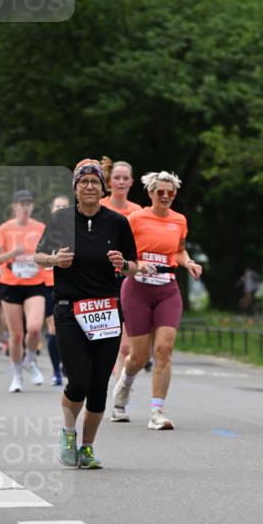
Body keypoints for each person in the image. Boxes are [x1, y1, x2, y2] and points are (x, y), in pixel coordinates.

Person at [33, 158, 137, 469]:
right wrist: (54, 260)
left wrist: (123, 264)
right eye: (83, 182)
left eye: (94, 182)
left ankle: (88, 448)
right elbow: (38, 256)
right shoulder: (60, 219)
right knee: (79, 380)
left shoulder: (117, 222)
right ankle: (68, 433)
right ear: (76, 188)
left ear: (103, 189)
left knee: (99, 386)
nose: (89, 186)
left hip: (106, 311)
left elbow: (134, 265)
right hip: (69, 310)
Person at [112, 170, 202, 428]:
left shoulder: (179, 220)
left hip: (167, 290)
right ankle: (125, 383)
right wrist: (138, 264)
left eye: (170, 192)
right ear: (150, 193)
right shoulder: (136, 219)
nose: (165, 196)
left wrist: (188, 262)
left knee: (164, 349)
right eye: (160, 192)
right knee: (138, 357)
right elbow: (119, 253)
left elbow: (179, 250)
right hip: (137, 290)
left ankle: (157, 412)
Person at [0, 190, 46, 392]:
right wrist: (13, 253)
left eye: (28, 203)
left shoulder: (40, 227)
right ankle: (17, 375)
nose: (25, 207)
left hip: (35, 284)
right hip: (11, 285)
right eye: (22, 204)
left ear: (32, 206)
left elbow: (48, 253)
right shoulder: (4, 229)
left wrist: (43, 259)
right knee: (16, 335)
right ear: (14, 206)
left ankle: (30, 360)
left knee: (34, 328)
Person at [99, 158, 145, 385]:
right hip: (99, 278)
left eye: (125, 178)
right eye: (117, 177)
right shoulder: (98, 206)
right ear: (109, 181)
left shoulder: (138, 211)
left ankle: (119, 398)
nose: (121, 181)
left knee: (125, 347)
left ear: (132, 182)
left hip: (127, 277)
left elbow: (142, 245)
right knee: (101, 340)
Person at [43, 194, 70, 385]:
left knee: (70, 329)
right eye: (57, 206)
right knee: (53, 328)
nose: (60, 210)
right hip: (46, 285)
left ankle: (67, 364)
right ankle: (56, 371)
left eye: (64, 207)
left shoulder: (76, 230)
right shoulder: (40, 231)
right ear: (51, 210)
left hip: (70, 286)